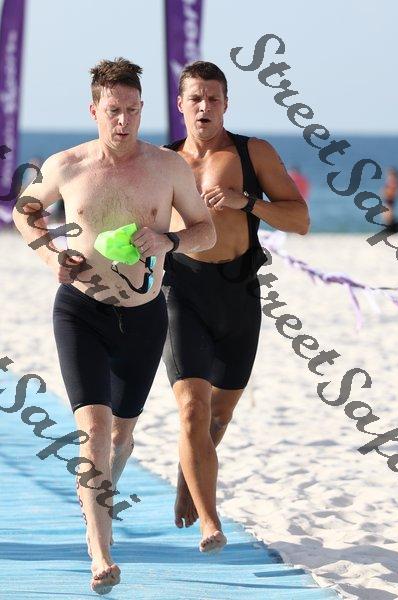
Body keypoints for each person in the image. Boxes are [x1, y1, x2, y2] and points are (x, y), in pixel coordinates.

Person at [12, 58, 215, 594]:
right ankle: (100, 554)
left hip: (144, 316)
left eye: (132, 110)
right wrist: (49, 255)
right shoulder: (67, 165)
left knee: (121, 434)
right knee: (96, 430)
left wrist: (169, 240)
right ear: (94, 110)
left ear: (142, 109)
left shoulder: (168, 168)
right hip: (80, 309)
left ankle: (98, 491)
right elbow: (24, 210)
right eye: (112, 111)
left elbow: (206, 231)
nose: (123, 121)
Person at [162, 61, 309, 554]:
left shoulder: (252, 152)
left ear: (226, 104)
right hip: (181, 291)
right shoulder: (163, 161)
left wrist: (245, 202)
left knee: (218, 418)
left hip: (239, 291)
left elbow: (300, 220)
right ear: (181, 104)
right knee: (192, 408)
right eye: (195, 98)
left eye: (213, 98)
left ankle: (188, 476)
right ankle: (210, 521)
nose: (204, 106)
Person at [381, 166, 398, 231]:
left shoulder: (393, 184)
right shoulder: (390, 184)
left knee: (389, 216)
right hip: (388, 202)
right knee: (388, 216)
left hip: (389, 202)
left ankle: (390, 227)